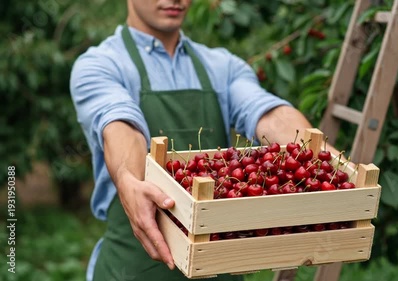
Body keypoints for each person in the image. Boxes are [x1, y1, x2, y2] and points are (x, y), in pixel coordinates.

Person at [70, 1, 341, 280]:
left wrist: (323, 158)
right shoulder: (100, 64)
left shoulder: (222, 66)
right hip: (134, 269)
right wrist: (129, 179)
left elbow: (268, 113)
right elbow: (119, 123)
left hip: (217, 267)